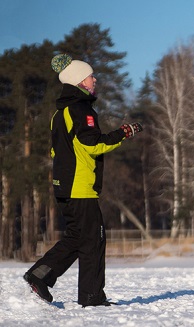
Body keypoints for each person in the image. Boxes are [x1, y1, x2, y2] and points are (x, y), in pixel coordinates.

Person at [23, 54, 142, 307]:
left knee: (79, 237)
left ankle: (40, 275)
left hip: (64, 187)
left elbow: (56, 152)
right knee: (94, 239)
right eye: (90, 76)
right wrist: (123, 133)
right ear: (79, 81)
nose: (94, 79)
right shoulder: (81, 109)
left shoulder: (60, 113)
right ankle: (92, 297)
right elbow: (93, 144)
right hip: (80, 187)